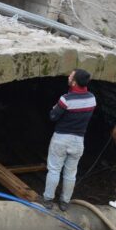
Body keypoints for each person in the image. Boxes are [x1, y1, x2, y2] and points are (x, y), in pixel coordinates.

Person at [42, 69, 96, 211]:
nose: (68, 76)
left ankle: (48, 200)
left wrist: (55, 107)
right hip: (78, 141)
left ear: (74, 82)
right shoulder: (92, 99)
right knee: (71, 173)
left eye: (71, 76)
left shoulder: (66, 99)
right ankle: (65, 202)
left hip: (61, 138)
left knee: (54, 170)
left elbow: (53, 116)